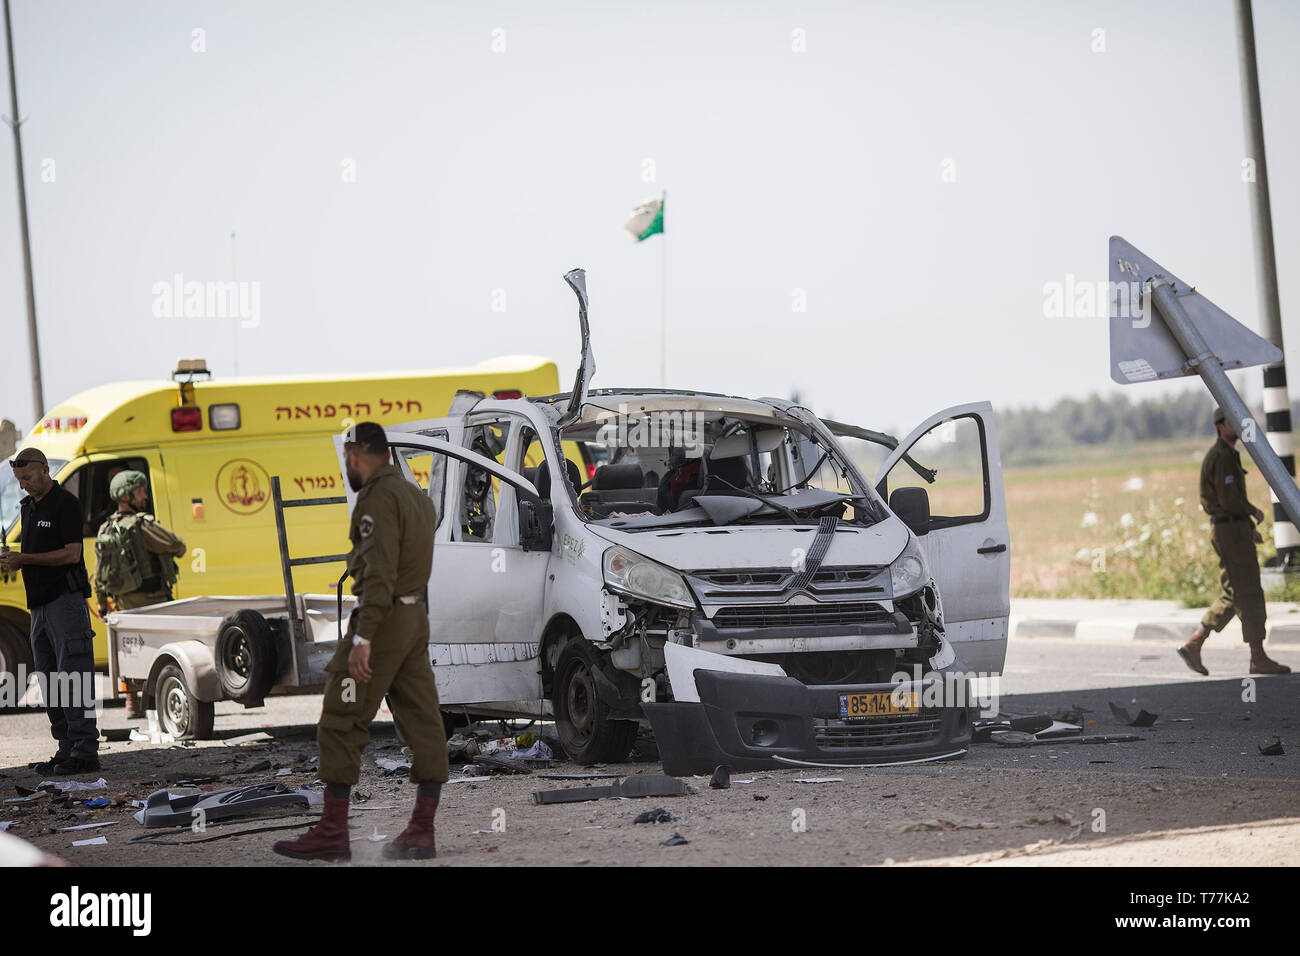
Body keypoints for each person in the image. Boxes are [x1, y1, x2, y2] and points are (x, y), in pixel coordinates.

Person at [273, 422, 448, 861]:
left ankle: (332, 833)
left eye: (348, 459)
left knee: (341, 717)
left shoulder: (377, 499)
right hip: (414, 621)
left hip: (383, 622)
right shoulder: (416, 497)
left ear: (356, 454)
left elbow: (379, 574)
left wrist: (364, 637)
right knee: (423, 719)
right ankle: (422, 831)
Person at [0, 448, 100, 774]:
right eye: (18, 480)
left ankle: (85, 752)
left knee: (74, 678)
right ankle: (66, 749)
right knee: (50, 680)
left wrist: (24, 559)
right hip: (39, 606)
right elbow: (36, 551)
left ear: (44, 469)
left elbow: (72, 554)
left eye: (27, 478)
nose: (23, 485)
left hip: (65, 603)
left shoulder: (65, 504)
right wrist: (13, 559)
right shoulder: (28, 508)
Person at [1179, 408, 1291, 676]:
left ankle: (1197, 642)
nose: (1239, 427)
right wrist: (1252, 512)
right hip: (1230, 530)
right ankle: (1255, 657)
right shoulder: (1221, 457)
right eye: (1233, 422)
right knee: (1247, 591)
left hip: (1232, 528)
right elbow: (1229, 501)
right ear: (1221, 425)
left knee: (1237, 591)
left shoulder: (1226, 455)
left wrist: (1246, 527)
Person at [93, 469, 186, 718]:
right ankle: (163, 701)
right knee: (163, 649)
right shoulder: (142, 525)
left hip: (122, 603)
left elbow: (99, 574)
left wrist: (102, 604)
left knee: (130, 651)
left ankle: (132, 703)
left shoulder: (106, 528)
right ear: (126, 496)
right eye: (140, 491)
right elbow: (177, 546)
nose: (145, 495)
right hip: (153, 600)